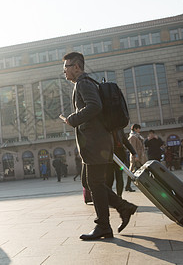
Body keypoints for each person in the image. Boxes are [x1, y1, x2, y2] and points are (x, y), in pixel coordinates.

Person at [60, 52, 137, 240]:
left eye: (66, 68)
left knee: (95, 184)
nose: (64, 72)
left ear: (76, 67)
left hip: (96, 143)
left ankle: (104, 225)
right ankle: (122, 207)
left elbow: (95, 106)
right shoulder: (87, 83)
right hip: (96, 142)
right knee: (90, 183)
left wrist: (73, 119)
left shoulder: (84, 83)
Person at [107, 129, 137, 196]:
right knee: (110, 177)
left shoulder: (119, 129)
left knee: (119, 175)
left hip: (120, 155)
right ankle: (109, 197)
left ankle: (119, 196)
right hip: (109, 156)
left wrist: (134, 153)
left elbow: (125, 141)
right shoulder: (106, 128)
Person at [127, 124, 147, 192]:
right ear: (135, 129)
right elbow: (133, 147)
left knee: (137, 170)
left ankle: (128, 186)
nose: (139, 130)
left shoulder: (137, 136)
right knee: (132, 171)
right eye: (138, 128)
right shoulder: (133, 137)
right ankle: (128, 186)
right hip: (135, 156)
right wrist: (136, 156)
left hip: (139, 156)